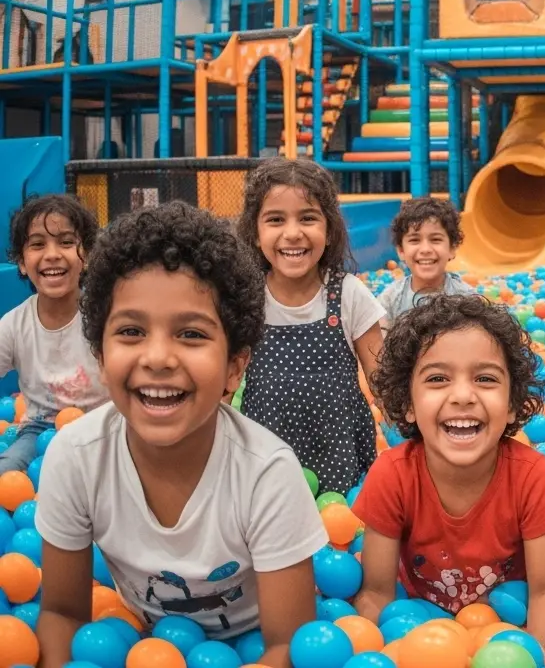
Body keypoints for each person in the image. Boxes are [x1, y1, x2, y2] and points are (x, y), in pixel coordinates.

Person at [34, 201, 326, 667]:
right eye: (130, 331)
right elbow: (62, 614)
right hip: (136, 642)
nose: (158, 357)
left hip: (248, 642)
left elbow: (286, 647)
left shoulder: (266, 472)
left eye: (191, 335)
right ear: (100, 357)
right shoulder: (74, 456)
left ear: (236, 366)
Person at [352, 295, 545, 657]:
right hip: (419, 622)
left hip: (505, 631)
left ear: (513, 402)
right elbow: (377, 594)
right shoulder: (391, 475)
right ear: (408, 404)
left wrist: (531, 654)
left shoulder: (534, 476)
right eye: (438, 378)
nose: (462, 396)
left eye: (485, 378)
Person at [237, 158, 384, 496]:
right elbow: (223, 387)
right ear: (255, 233)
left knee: (338, 530)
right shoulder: (248, 298)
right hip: (266, 455)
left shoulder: (348, 294)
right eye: (275, 220)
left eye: (308, 218)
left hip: (339, 454)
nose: (293, 233)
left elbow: (383, 383)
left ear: (329, 230)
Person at [0, 194, 106, 474]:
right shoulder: (14, 325)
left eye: (67, 242)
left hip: (101, 425)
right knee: (7, 473)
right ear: (21, 262)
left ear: (86, 256)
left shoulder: (103, 316)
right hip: (40, 429)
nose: (52, 254)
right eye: (37, 244)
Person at [378, 196, 475, 324]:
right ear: (401, 251)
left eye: (435, 239)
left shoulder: (465, 298)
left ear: (452, 248)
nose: (425, 249)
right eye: (414, 240)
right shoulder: (390, 299)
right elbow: (380, 340)